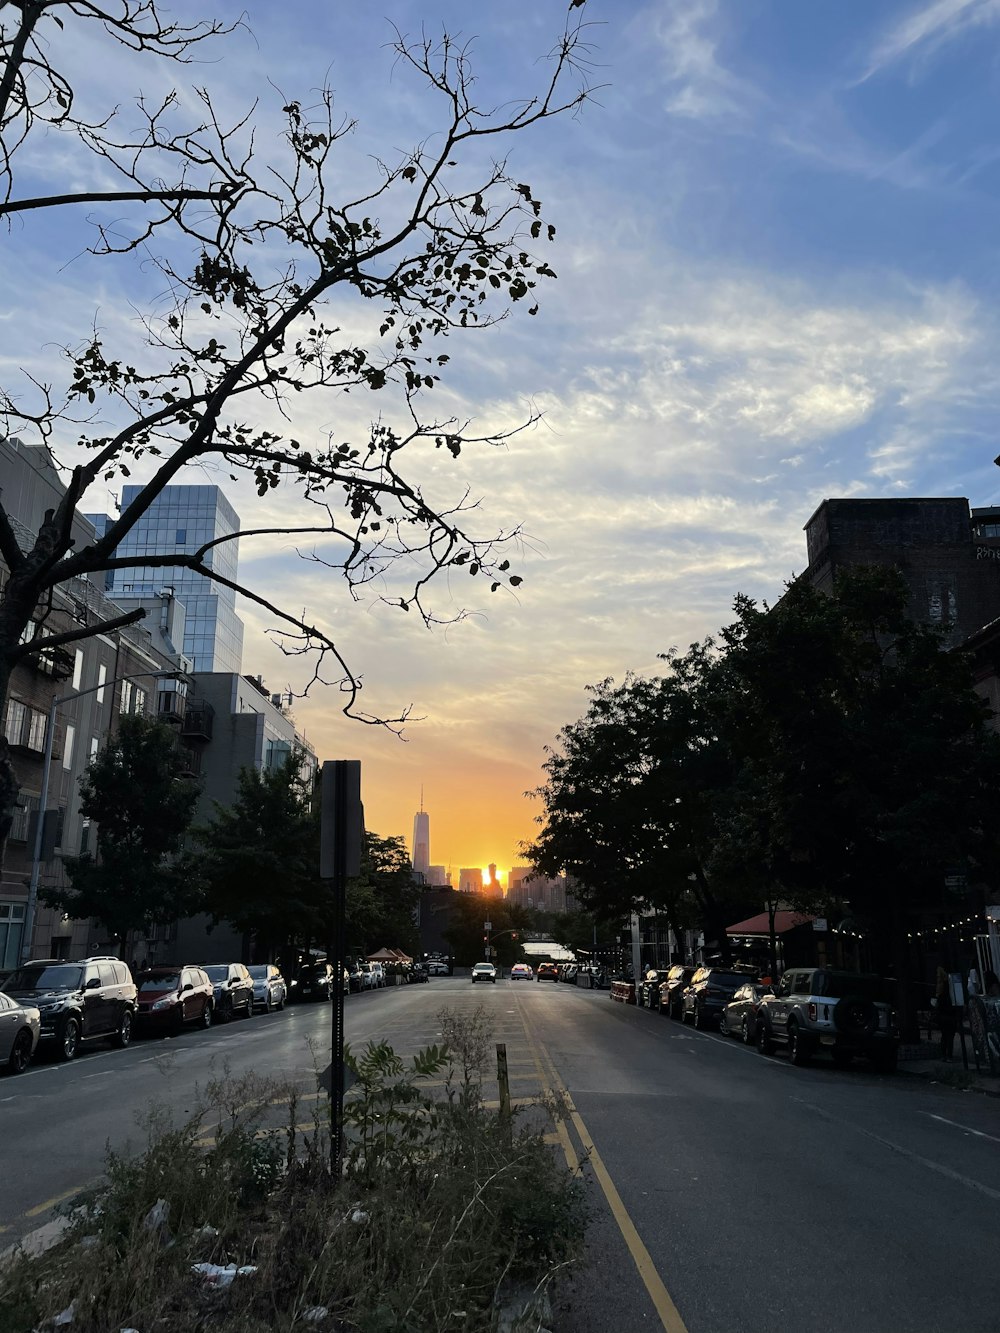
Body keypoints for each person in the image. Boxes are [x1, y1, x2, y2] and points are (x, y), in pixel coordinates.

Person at [935, 965, 958, 1062]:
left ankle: (944, 1055)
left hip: (942, 1016)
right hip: (950, 1015)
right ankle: (949, 1056)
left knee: (944, 1036)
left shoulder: (940, 992)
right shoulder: (951, 991)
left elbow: (938, 1005)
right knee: (950, 1037)